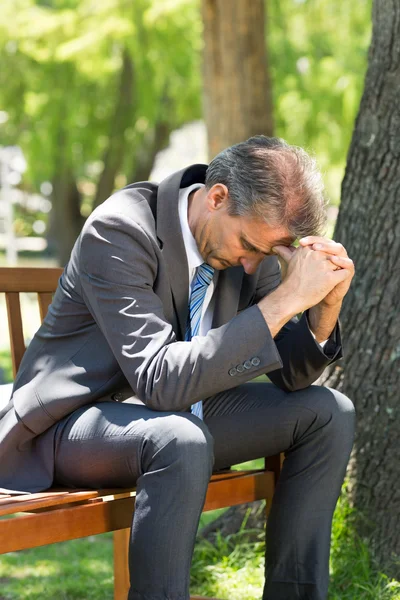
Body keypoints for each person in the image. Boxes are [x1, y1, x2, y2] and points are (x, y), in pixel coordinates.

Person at [0, 136, 355, 600]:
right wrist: (287, 298)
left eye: (265, 255)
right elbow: (159, 382)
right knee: (180, 439)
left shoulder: (252, 244)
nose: (252, 266)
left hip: (177, 421)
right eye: (249, 246)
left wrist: (324, 306)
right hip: (73, 423)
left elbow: (292, 375)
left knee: (329, 413)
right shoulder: (121, 229)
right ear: (217, 196)